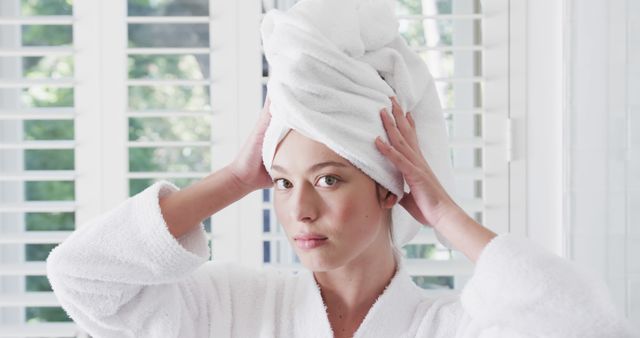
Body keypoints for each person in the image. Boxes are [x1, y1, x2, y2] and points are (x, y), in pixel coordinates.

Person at [46, 96, 637, 338]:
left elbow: (585, 322)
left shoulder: (447, 325)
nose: (299, 210)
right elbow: (82, 275)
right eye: (281, 183)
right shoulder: (229, 305)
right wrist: (232, 179)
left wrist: (443, 211)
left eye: (328, 179)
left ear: (389, 192)